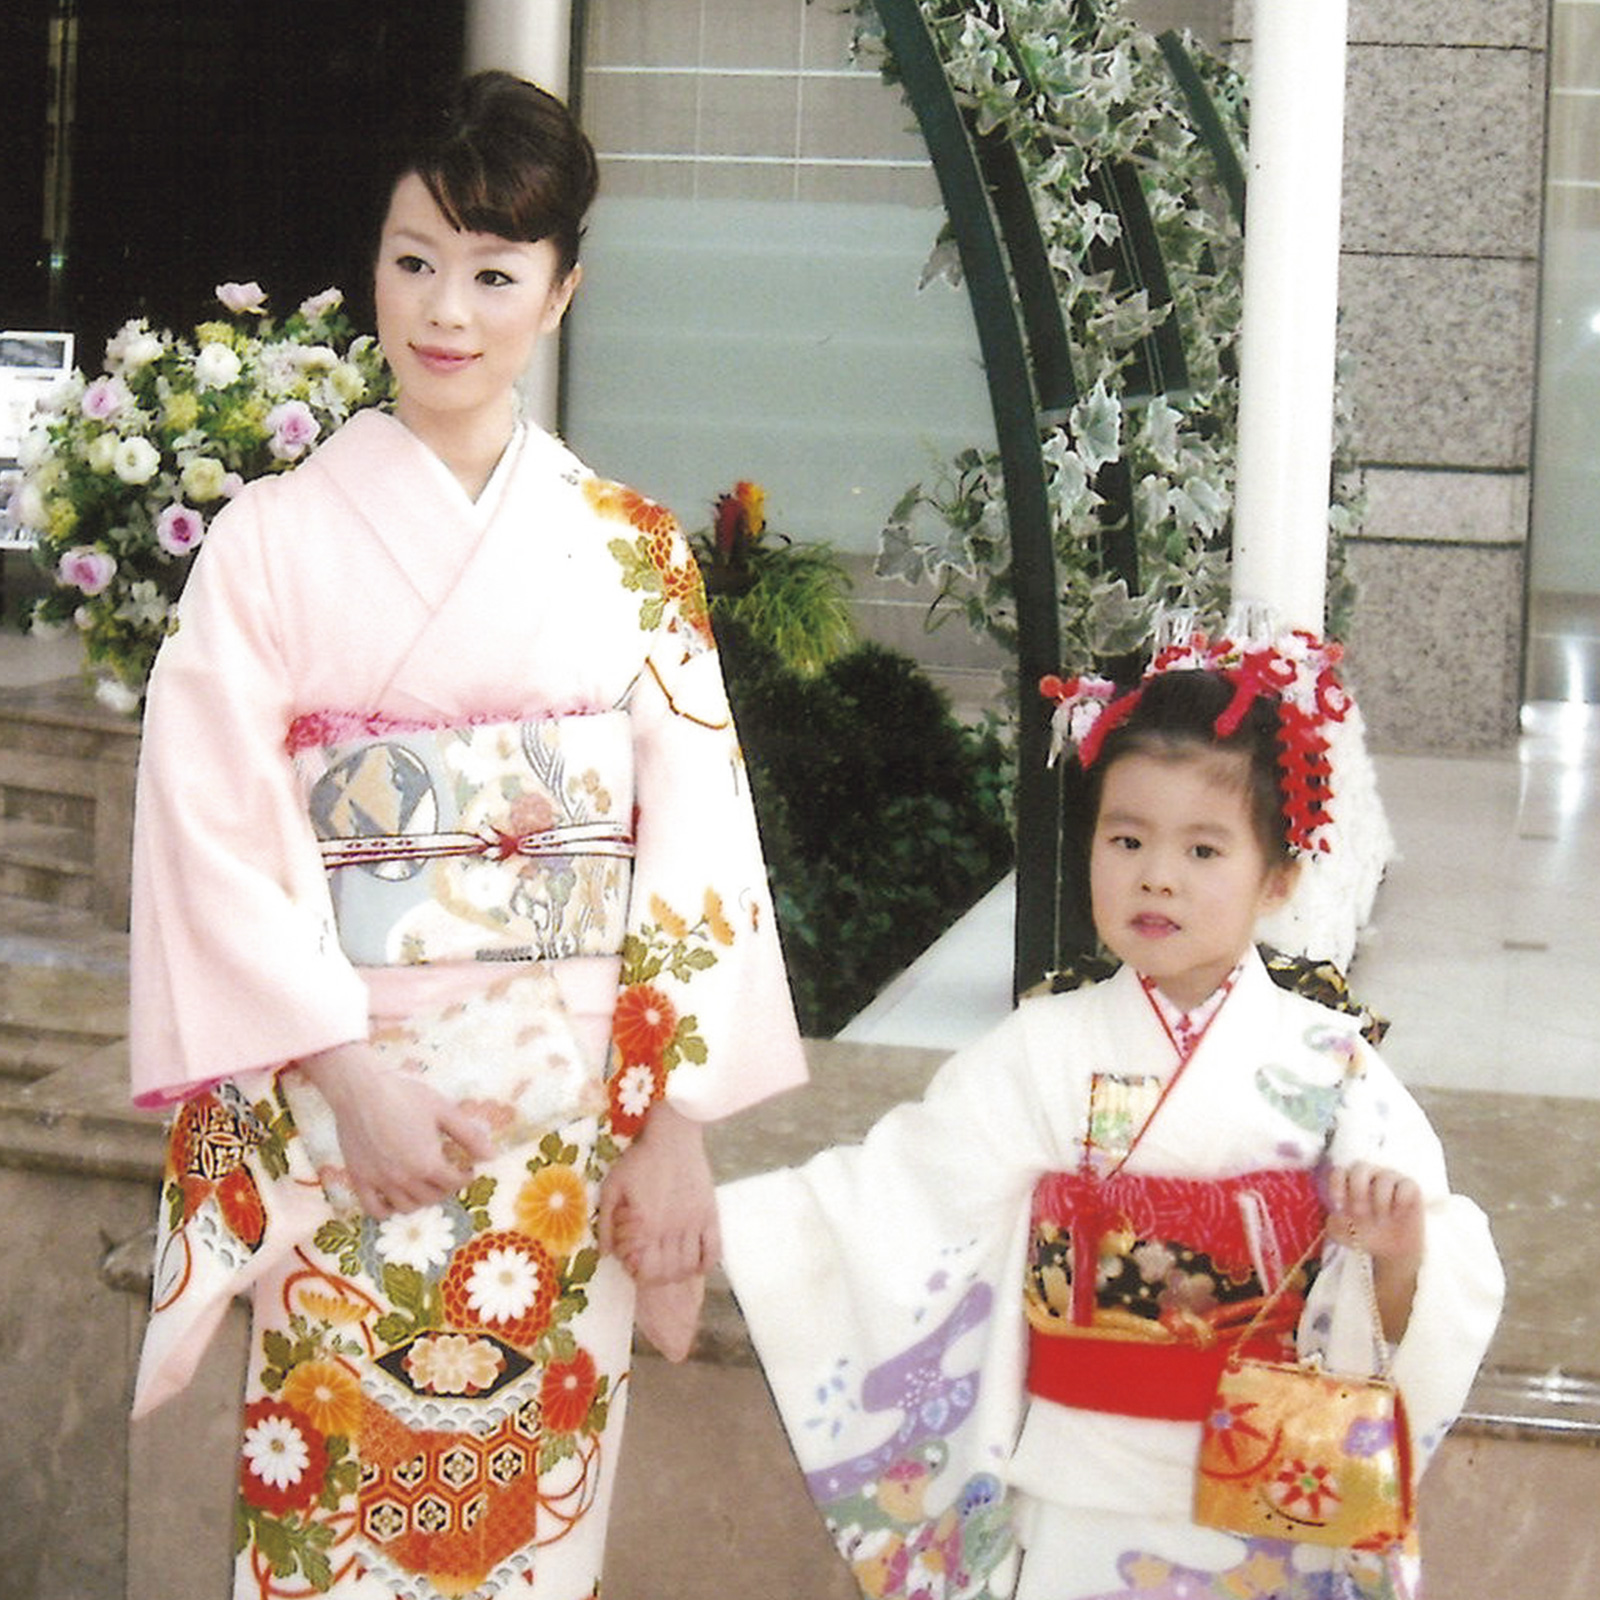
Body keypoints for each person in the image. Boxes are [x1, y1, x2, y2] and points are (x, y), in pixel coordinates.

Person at [127, 71, 806, 1599]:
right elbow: (207, 829)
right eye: (415, 259)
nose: (447, 310)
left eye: (495, 274)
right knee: (337, 1524)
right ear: (373, 265)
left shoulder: (632, 549)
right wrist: (346, 1074)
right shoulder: (269, 543)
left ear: (561, 293)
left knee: (528, 1536)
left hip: (566, 1130)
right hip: (350, 1121)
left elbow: (699, 844)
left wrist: (675, 1131)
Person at [718, 630, 1503, 1600]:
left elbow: (1435, 1271)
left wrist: (1397, 1255)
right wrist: (732, 1225)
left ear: (1278, 879)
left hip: (1268, 1490)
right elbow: (897, 1192)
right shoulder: (1041, 1050)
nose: (1156, 875)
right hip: (1081, 1486)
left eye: (1203, 849)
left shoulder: (1331, 1067)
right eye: (1126, 840)